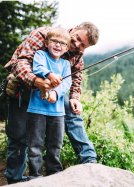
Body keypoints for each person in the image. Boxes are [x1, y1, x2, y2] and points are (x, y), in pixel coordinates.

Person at [4, 22, 99, 184]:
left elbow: (76, 78)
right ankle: (15, 180)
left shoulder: (77, 54)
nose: (77, 45)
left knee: (72, 112)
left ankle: (90, 162)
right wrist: (37, 81)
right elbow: (21, 63)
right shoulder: (43, 34)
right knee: (19, 137)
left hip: (54, 96)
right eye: (76, 39)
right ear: (74, 29)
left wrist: (75, 97)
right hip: (24, 89)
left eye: (83, 45)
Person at [27, 27, 72, 179]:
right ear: (46, 42)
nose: (58, 45)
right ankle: (35, 177)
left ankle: (54, 176)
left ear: (66, 48)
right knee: (35, 147)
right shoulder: (40, 55)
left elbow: (66, 84)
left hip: (58, 113)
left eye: (62, 43)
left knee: (55, 146)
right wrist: (49, 74)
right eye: (54, 41)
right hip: (36, 110)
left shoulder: (66, 65)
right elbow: (37, 68)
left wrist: (55, 93)